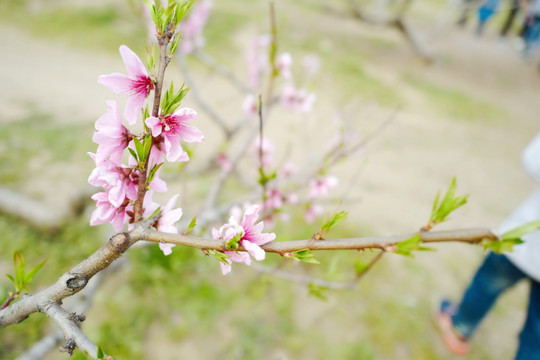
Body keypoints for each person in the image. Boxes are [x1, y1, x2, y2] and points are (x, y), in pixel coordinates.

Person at [436, 132, 540, 359]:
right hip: (523, 243)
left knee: (486, 284)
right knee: (537, 337)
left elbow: (533, 161)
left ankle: (459, 329)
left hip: (522, 244)